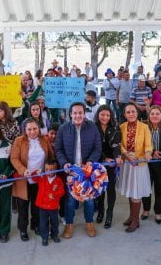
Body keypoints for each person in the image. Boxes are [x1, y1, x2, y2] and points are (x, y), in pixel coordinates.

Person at [55, 102, 101, 238]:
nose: (78, 115)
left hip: (87, 171)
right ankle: (69, 224)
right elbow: (58, 149)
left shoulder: (92, 127)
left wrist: (90, 162)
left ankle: (89, 222)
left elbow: (97, 148)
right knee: (70, 200)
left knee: (89, 199)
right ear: (70, 114)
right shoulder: (63, 129)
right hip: (72, 171)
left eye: (80, 112)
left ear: (84, 113)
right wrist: (64, 163)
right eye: (75, 113)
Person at [10, 118, 54, 241]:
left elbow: (50, 156)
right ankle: (23, 229)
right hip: (24, 179)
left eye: (35, 128)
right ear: (25, 130)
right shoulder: (19, 141)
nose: (32, 131)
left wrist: (47, 169)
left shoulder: (44, 140)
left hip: (40, 179)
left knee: (37, 205)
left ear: (39, 128)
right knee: (23, 206)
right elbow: (14, 158)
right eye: (29, 129)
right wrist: (22, 170)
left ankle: (36, 225)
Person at [118, 102, 152, 233]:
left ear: (137, 113)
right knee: (130, 192)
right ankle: (132, 216)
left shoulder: (144, 127)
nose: (131, 114)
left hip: (139, 164)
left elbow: (149, 144)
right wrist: (126, 154)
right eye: (128, 112)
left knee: (136, 194)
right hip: (127, 164)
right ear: (124, 114)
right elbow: (119, 144)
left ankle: (136, 220)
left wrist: (148, 152)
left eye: (133, 111)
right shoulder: (121, 127)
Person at [94, 105, 122, 229]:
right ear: (98, 115)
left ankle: (109, 214)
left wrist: (118, 157)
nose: (105, 117)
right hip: (99, 161)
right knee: (99, 189)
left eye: (107, 115)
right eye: (102, 115)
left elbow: (117, 145)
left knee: (110, 189)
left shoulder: (116, 128)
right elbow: (94, 146)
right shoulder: (93, 127)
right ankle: (100, 211)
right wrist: (104, 158)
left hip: (112, 164)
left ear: (111, 116)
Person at [32, 158, 65, 246]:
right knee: (43, 222)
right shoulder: (41, 178)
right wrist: (36, 173)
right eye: (46, 169)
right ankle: (45, 237)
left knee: (55, 222)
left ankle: (55, 235)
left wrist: (54, 194)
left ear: (56, 169)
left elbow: (62, 191)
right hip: (42, 206)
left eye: (51, 170)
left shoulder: (58, 180)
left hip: (53, 206)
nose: (48, 171)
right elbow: (33, 178)